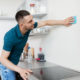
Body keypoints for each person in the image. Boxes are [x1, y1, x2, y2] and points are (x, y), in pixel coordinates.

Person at [0, 10, 74, 80]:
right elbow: (2, 59)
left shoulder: (28, 27)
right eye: (30, 21)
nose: (33, 22)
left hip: (14, 65)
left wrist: (63, 22)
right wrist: (20, 70)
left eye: (32, 19)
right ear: (22, 24)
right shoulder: (10, 36)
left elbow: (46, 22)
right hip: (6, 67)